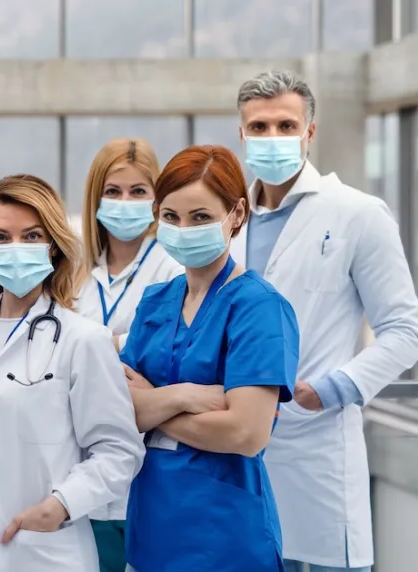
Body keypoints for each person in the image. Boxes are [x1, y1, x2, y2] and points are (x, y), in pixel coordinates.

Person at [229, 71, 418, 572]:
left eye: (286, 125)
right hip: (231, 453)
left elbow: (404, 331)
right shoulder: (226, 223)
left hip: (316, 451)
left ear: (310, 133)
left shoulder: (358, 214)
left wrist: (331, 388)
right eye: (260, 126)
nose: (273, 138)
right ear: (241, 133)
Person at [0, 174, 144, 572]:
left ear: (54, 246)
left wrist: (60, 505)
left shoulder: (83, 340)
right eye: (1, 237)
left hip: (37, 542)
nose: (15, 249)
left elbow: (119, 452)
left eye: (31, 236)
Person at [122, 145, 300, 571]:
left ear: (236, 215)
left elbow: (245, 432)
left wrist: (154, 404)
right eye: (171, 217)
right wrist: (185, 395)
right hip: (150, 532)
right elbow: (116, 409)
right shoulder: (155, 302)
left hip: (226, 538)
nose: (184, 229)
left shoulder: (258, 306)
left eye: (200, 217)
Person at [72, 138, 182, 572]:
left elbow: (163, 359)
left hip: (150, 471)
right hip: (81, 471)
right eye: (113, 191)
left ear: (157, 200)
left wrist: (89, 348)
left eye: (139, 192)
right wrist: (118, 345)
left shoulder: (173, 269)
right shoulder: (77, 274)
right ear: (95, 197)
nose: (125, 203)